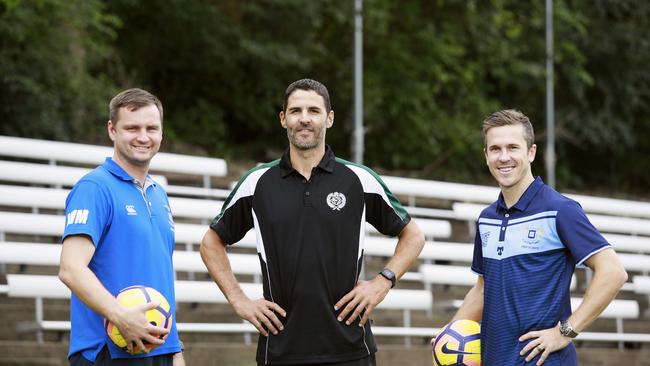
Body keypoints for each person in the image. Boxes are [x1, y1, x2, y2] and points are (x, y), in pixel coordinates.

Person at [200, 78, 425, 365]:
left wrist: (382, 282)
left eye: (314, 111)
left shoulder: (359, 179)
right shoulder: (257, 183)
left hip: (351, 348)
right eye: (295, 111)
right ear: (283, 119)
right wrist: (239, 299)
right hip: (281, 348)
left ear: (329, 118)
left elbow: (413, 235)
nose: (304, 119)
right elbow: (211, 242)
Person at [438, 109, 628, 365]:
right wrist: (451, 332)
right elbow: (483, 289)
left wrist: (566, 332)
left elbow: (613, 272)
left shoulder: (560, 210)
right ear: (486, 156)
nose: (504, 157)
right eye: (495, 149)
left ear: (531, 152)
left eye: (513, 147)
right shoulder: (487, 218)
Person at [59, 88, 184, 365]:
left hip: (159, 348)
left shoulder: (157, 193)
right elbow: (71, 268)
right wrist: (120, 316)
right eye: (132, 128)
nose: (143, 136)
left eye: (152, 128)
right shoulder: (94, 188)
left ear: (162, 133)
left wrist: (175, 350)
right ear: (112, 130)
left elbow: (159, 275)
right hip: (109, 349)